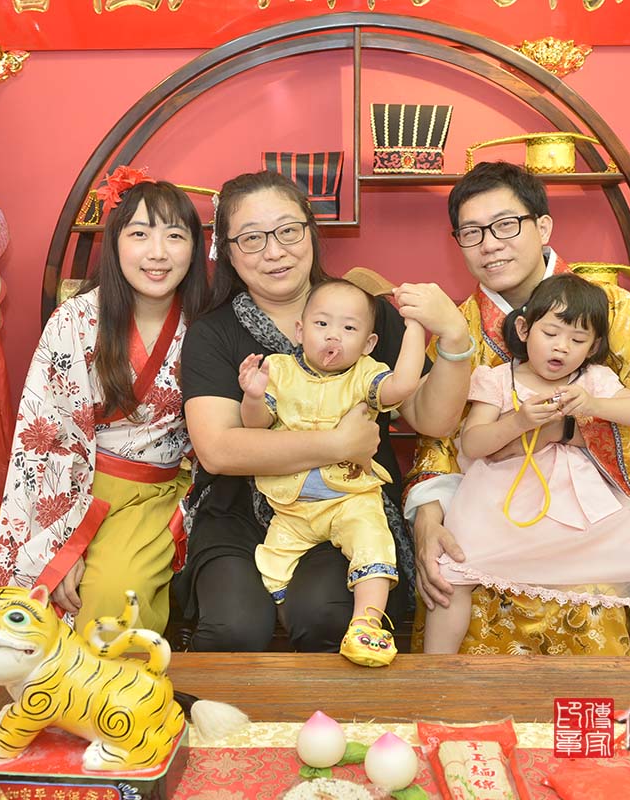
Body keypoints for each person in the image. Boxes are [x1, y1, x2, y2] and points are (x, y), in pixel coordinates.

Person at [404, 161, 630, 656]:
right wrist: (428, 523)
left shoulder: (613, 309)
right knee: (453, 573)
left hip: (590, 510)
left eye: (505, 225)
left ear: (543, 226)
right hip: (495, 515)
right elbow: (438, 443)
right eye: (472, 232)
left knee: (620, 580)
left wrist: (568, 431)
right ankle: (439, 689)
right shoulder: (460, 326)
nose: (490, 244)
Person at [0, 169, 211, 727]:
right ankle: (9, 737)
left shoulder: (205, 325)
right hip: (64, 485)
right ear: (115, 244)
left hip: (152, 496)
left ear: (196, 247)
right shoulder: (76, 319)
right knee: (20, 596)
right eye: (139, 234)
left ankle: (114, 727)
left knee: (115, 591)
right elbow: (50, 433)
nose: (157, 252)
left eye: (174, 235)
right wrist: (61, 545)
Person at [176, 170, 473, 654]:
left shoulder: (365, 313)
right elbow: (220, 449)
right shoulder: (213, 333)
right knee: (234, 627)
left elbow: (432, 419)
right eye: (252, 238)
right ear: (227, 251)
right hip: (238, 512)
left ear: (311, 232)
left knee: (328, 617)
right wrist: (338, 443)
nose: (274, 251)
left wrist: (456, 340)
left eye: (288, 231)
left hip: (344, 502)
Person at [422, 273, 630, 654]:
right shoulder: (498, 379)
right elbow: (473, 442)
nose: (561, 347)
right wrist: (518, 422)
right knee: (451, 573)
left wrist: (596, 404)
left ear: (593, 346)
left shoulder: (593, 379)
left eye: (578, 340)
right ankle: (436, 671)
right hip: (500, 503)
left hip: (580, 500)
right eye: (550, 333)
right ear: (524, 329)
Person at [238, 278, 427, 666]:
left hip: (350, 499)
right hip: (291, 508)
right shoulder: (279, 369)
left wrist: (414, 327)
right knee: (270, 568)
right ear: (300, 330)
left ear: (368, 344)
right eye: (322, 324)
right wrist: (253, 396)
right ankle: (289, 634)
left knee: (373, 542)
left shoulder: (365, 374)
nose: (333, 336)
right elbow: (256, 426)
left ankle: (366, 624)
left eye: (349, 328)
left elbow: (404, 384)